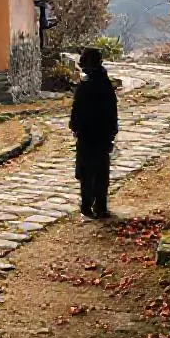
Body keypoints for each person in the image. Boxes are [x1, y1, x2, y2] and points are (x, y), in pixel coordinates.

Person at [69, 48, 119, 218]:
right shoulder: (105, 85)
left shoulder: (87, 86)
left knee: (87, 171)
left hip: (88, 135)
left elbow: (77, 109)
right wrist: (112, 131)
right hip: (101, 134)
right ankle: (100, 205)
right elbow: (112, 111)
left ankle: (87, 205)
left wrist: (75, 126)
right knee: (100, 171)